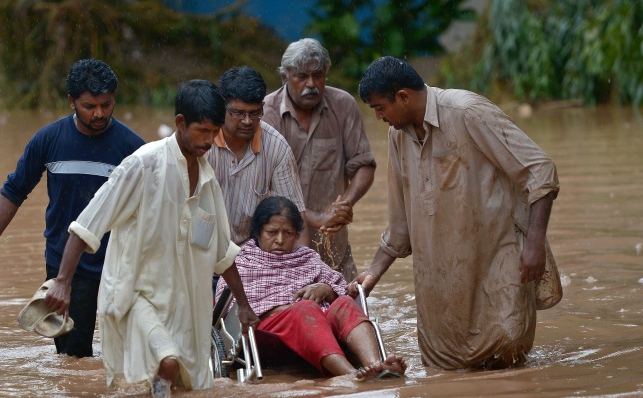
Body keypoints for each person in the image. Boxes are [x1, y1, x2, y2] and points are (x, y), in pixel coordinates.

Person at [44, 80, 260, 398]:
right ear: (180, 123)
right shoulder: (143, 165)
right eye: (202, 131)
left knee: (187, 388)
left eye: (214, 131)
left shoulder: (207, 179)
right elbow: (87, 225)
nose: (210, 141)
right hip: (137, 296)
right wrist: (62, 283)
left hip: (185, 306)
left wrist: (243, 306)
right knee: (167, 360)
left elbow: (222, 252)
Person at [353, 56, 560, 369]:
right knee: (445, 369)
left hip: (497, 259)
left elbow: (540, 171)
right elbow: (400, 223)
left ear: (404, 97)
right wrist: (372, 274)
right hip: (440, 277)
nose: (380, 117)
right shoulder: (398, 136)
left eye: (380, 108)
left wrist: (534, 245)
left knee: (508, 348)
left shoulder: (466, 111)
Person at [0, 59, 145, 358]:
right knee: (72, 357)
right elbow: (14, 191)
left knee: (126, 354)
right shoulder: (49, 140)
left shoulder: (133, 148)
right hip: (65, 266)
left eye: (106, 104)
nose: (100, 113)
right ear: (71, 102)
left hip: (117, 264)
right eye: (90, 106)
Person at [216, 196, 406, 380]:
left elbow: (344, 290)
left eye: (288, 233)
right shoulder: (241, 263)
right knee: (305, 308)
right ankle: (350, 374)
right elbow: (230, 311)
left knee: (345, 303)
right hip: (268, 335)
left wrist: (326, 289)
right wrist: (287, 311)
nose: (280, 240)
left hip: (317, 324)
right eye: (272, 232)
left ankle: (376, 365)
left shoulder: (308, 258)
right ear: (258, 233)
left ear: (296, 235)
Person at [263, 38, 376, 281]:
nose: (311, 84)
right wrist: (317, 218)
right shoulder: (265, 114)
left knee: (346, 307)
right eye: (301, 76)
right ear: (285, 77)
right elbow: (262, 186)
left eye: (318, 75)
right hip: (282, 247)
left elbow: (364, 165)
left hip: (334, 246)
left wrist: (343, 205)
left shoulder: (343, 106)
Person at [205, 66, 309, 247]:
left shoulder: (277, 148)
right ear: (221, 108)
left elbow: (295, 220)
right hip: (203, 251)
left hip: (252, 257)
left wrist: (304, 269)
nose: (247, 121)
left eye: (254, 113)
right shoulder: (202, 143)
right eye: (238, 113)